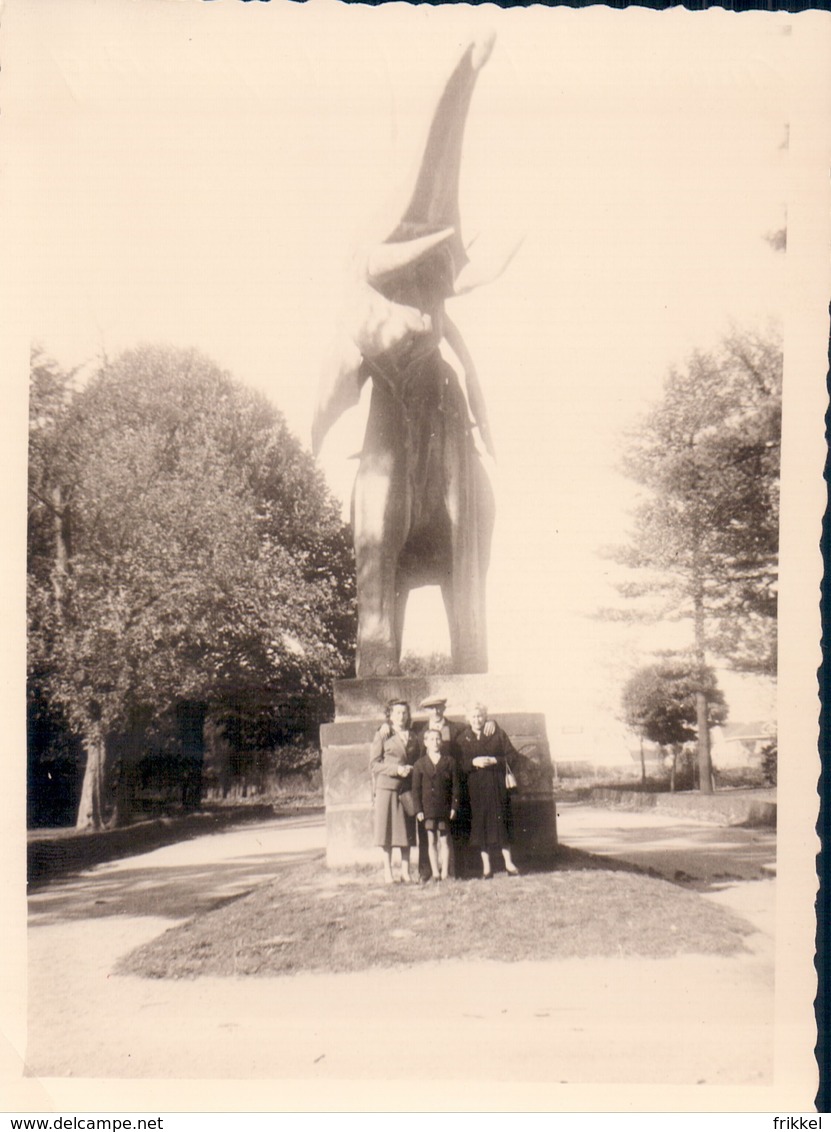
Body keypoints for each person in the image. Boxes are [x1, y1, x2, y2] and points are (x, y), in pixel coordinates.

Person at [417, 695, 495, 878]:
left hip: (455, 787)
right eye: (431, 709)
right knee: (427, 834)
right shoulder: (420, 732)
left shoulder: (457, 728)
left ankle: (458, 870)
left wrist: (493, 722)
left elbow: (477, 724)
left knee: (457, 829)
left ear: (444, 709)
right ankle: (427, 871)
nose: (435, 712)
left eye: (439, 708)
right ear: (426, 711)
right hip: (430, 792)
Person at [459, 701, 520, 879]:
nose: (477, 720)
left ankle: (509, 863)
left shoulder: (496, 733)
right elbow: (459, 764)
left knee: (501, 824)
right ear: (468, 719)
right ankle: (487, 867)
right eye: (473, 716)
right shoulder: (463, 738)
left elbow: (512, 756)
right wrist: (472, 763)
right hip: (475, 788)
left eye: (480, 716)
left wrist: (495, 760)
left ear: (485, 717)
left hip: (496, 786)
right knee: (481, 826)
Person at [369, 699, 420, 884]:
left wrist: (411, 770)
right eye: (397, 713)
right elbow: (374, 765)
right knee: (387, 833)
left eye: (404, 713)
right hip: (388, 789)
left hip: (406, 790)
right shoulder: (383, 734)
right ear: (390, 715)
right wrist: (396, 770)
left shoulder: (414, 736)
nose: (401, 716)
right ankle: (388, 873)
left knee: (406, 832)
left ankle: (405, 872)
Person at [412, 729, 461, 882]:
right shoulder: (419, 764)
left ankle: (445, 871)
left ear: (441, 741)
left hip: (444, 808)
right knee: (431, 840)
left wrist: (454, 807)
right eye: (431, 739)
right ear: (425, 743)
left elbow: (456, 787)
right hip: (428, 810)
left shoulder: (449, 761)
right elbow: (416, 790)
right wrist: (419, 809)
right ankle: (435, 872)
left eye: (438, 739)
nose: (435, 742)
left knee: (445, 840)